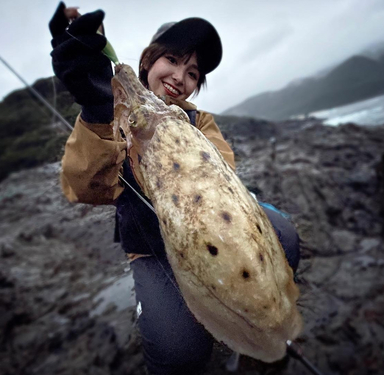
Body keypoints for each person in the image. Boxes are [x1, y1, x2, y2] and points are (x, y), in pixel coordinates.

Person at [49, 3, 300, 374]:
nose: (180, 76)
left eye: (193, 72)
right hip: (153, 248)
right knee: (178, 354)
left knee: (286, 238)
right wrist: (98, 109)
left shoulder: (199, 120)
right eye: (172, 59)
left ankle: (254, 343)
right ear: (149, 60)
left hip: (209, 232)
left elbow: (225, 171)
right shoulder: (112, 120)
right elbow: (81, 186)